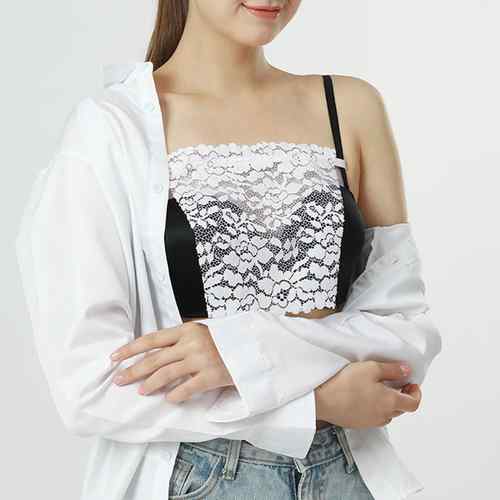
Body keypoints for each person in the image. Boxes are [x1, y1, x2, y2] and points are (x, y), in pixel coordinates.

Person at [15, 1, 442, 499]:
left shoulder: (348, 107)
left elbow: (404, 331)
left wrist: (239, 352)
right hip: (197, 478)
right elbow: (90, 387)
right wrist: (315, 403)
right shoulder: (112, 128)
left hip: (348, 474)